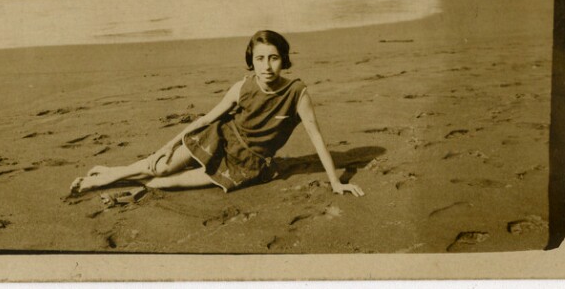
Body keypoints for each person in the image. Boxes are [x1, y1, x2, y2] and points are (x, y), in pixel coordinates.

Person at [69, 30, 364, 197]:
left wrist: (336, 182)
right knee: (160, 167)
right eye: (260, 58)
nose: (266, 66)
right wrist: (168, 146)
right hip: (218, 138)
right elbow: (206, 119)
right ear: (251, 61)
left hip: (247, 163)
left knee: (164, 183)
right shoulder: (242, 87)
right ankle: (101, 178)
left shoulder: (297, 93)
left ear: (283, 60)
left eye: (273, 58)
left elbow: (317, 138)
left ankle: (109, 173)